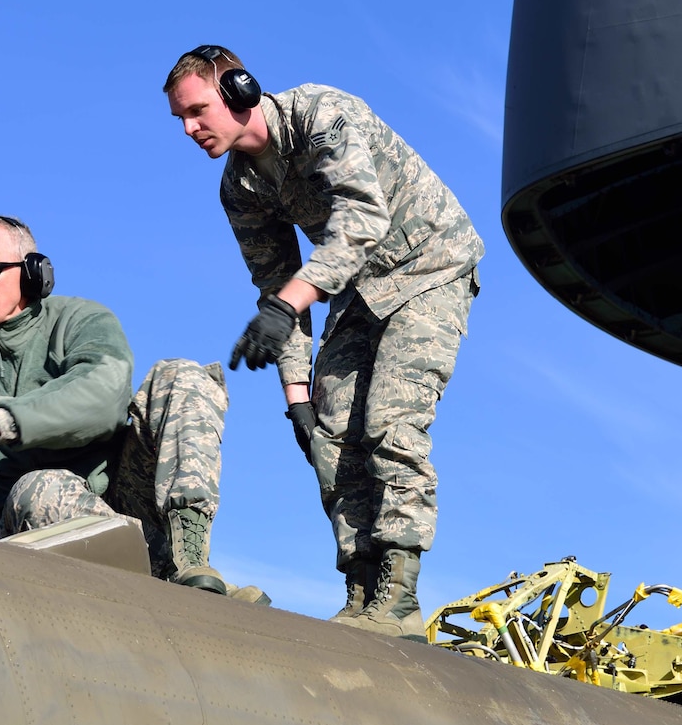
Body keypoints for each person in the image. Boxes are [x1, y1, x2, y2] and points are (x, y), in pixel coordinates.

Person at [165, 46, 483, 636]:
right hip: (357, 289)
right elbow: (275, 286)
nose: (190, 129)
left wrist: (288, 303)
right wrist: (297, 398)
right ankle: (362, 590)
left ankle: (400, 597)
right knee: (332, 433)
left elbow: (363, 221)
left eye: (198, 110)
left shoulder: (323, 116)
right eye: (180, 119)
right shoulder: (240, 187)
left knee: (390, 420)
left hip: (429, 268)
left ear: (239, 90)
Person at [0, 215, 242, 595]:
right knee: (40, 488)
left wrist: (0, 422)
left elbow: (102, 394)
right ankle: (153, 567)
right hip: (11, 527)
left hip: (119, 511)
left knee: (183, 375)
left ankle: (185, 555)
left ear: (32, 272)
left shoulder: (80, 321)